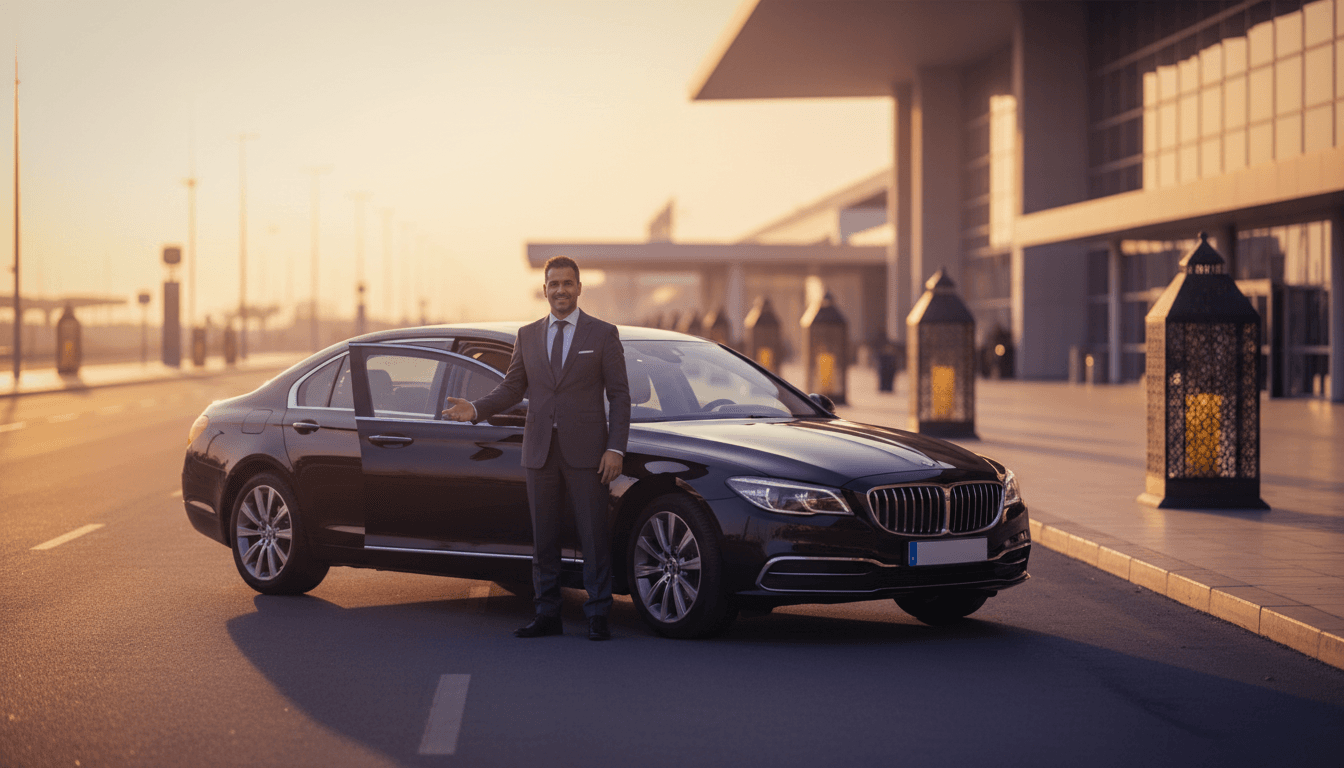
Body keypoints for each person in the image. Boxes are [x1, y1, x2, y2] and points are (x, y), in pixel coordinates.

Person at [442, 256, 630, 641]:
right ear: (544, 289)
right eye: (554, 284)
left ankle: (598, 613)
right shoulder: (527, 335)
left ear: (579, 288)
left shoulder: (602, 334)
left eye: (567, 283)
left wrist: (616, 449)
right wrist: (476, 408)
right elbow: (512, 388)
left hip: (588, 453)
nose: (561, 290)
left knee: (593, 536)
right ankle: (547, 613)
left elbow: (620, 396)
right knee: (544, 539)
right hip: (539, 451)